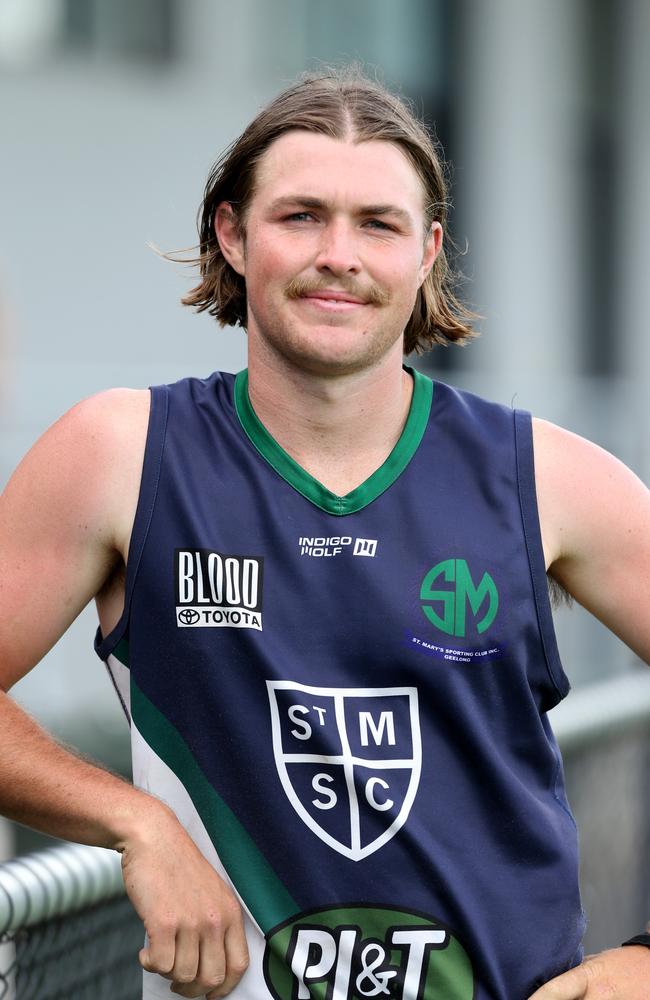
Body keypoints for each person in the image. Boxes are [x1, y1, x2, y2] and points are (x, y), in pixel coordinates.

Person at [0, 69, 648, 1000]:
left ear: (426, 252)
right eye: (300, 215)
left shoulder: (546, 478)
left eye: (377, 224)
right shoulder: (121, 457)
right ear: (233, 233)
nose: (337, 254)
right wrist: (134, 824)